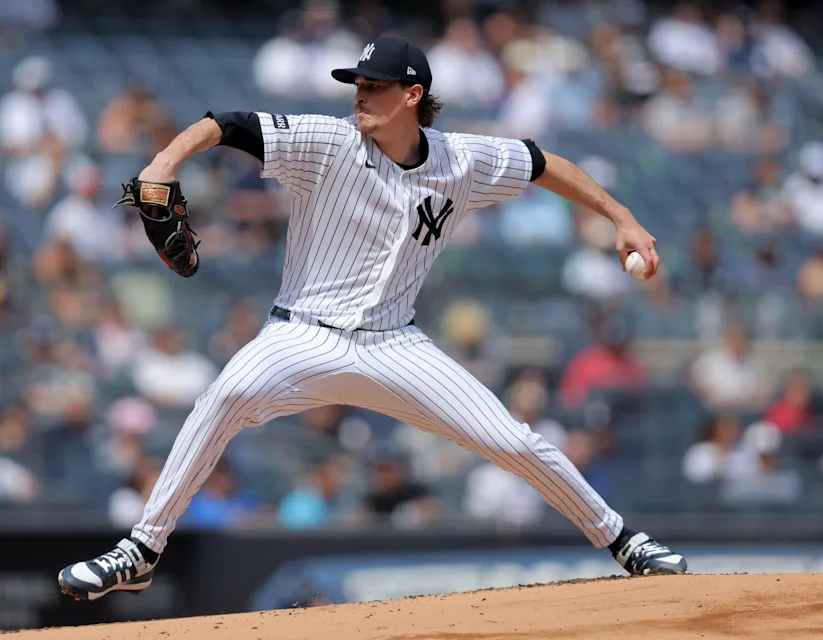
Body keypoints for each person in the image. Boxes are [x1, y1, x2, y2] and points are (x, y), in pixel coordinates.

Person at [59, 36, 685, 601]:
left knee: (513, 439)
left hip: (394, 345)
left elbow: (544, 162)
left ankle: (623, 542)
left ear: (413, 95)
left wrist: (621, 217)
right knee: (223, 395)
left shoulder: (462, 159)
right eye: (357, 85)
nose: (360, 95)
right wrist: (165, 163)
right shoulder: (328, 142)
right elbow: (228, 125)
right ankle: (141, 549)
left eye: (375, 86)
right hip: (300, 334)